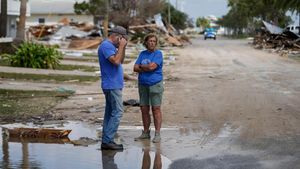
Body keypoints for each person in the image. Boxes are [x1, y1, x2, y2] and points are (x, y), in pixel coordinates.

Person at [98, 26, 128, 150]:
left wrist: (123, 47)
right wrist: (120, 46)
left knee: (110, 113)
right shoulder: (106, 46)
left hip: (114, 84)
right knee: (118, 111)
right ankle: (107, 140)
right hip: (111, 85)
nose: (121, 41)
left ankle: (106, 139)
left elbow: (121, 60)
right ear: (116, 36)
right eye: (121, 39)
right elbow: (115, 61)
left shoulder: (113, 47)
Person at [133, 33, 164, 143]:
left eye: (154, 41)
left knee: (156, 109)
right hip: (143, 84)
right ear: (146, 42)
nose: (151, 43)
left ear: (156, 43)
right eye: (150, 41)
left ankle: (157, 133)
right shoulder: (142, 54)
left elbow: (152, 67)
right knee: (144, 109)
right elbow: (135, 68)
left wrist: (142, 67)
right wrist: (144, 67)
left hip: (155, 84)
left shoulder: (158, 54)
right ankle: (146, 132)